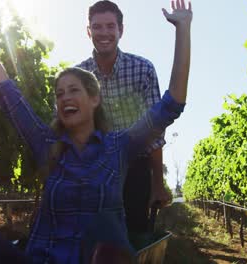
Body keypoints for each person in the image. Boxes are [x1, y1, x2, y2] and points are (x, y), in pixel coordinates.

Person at [0, 0, 192, 263]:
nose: (65, 97)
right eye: (60, 93)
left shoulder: (118, 147)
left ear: (94, 99)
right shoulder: (46, 143)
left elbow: (171, 105)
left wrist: (183, 29)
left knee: (105, 225)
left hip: (95, 254)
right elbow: (5, 88)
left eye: (74, 90)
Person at [77, 0, 170, 235]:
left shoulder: (142, 69)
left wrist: (157, 184)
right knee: (96, 239)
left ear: (121, 30)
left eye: (110, 26)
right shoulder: (79, 77)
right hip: (96, 171)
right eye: (97, 27)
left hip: (136, 168)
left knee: (134, 232)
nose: (104, 33)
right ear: (89, 32)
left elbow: (155, 132)